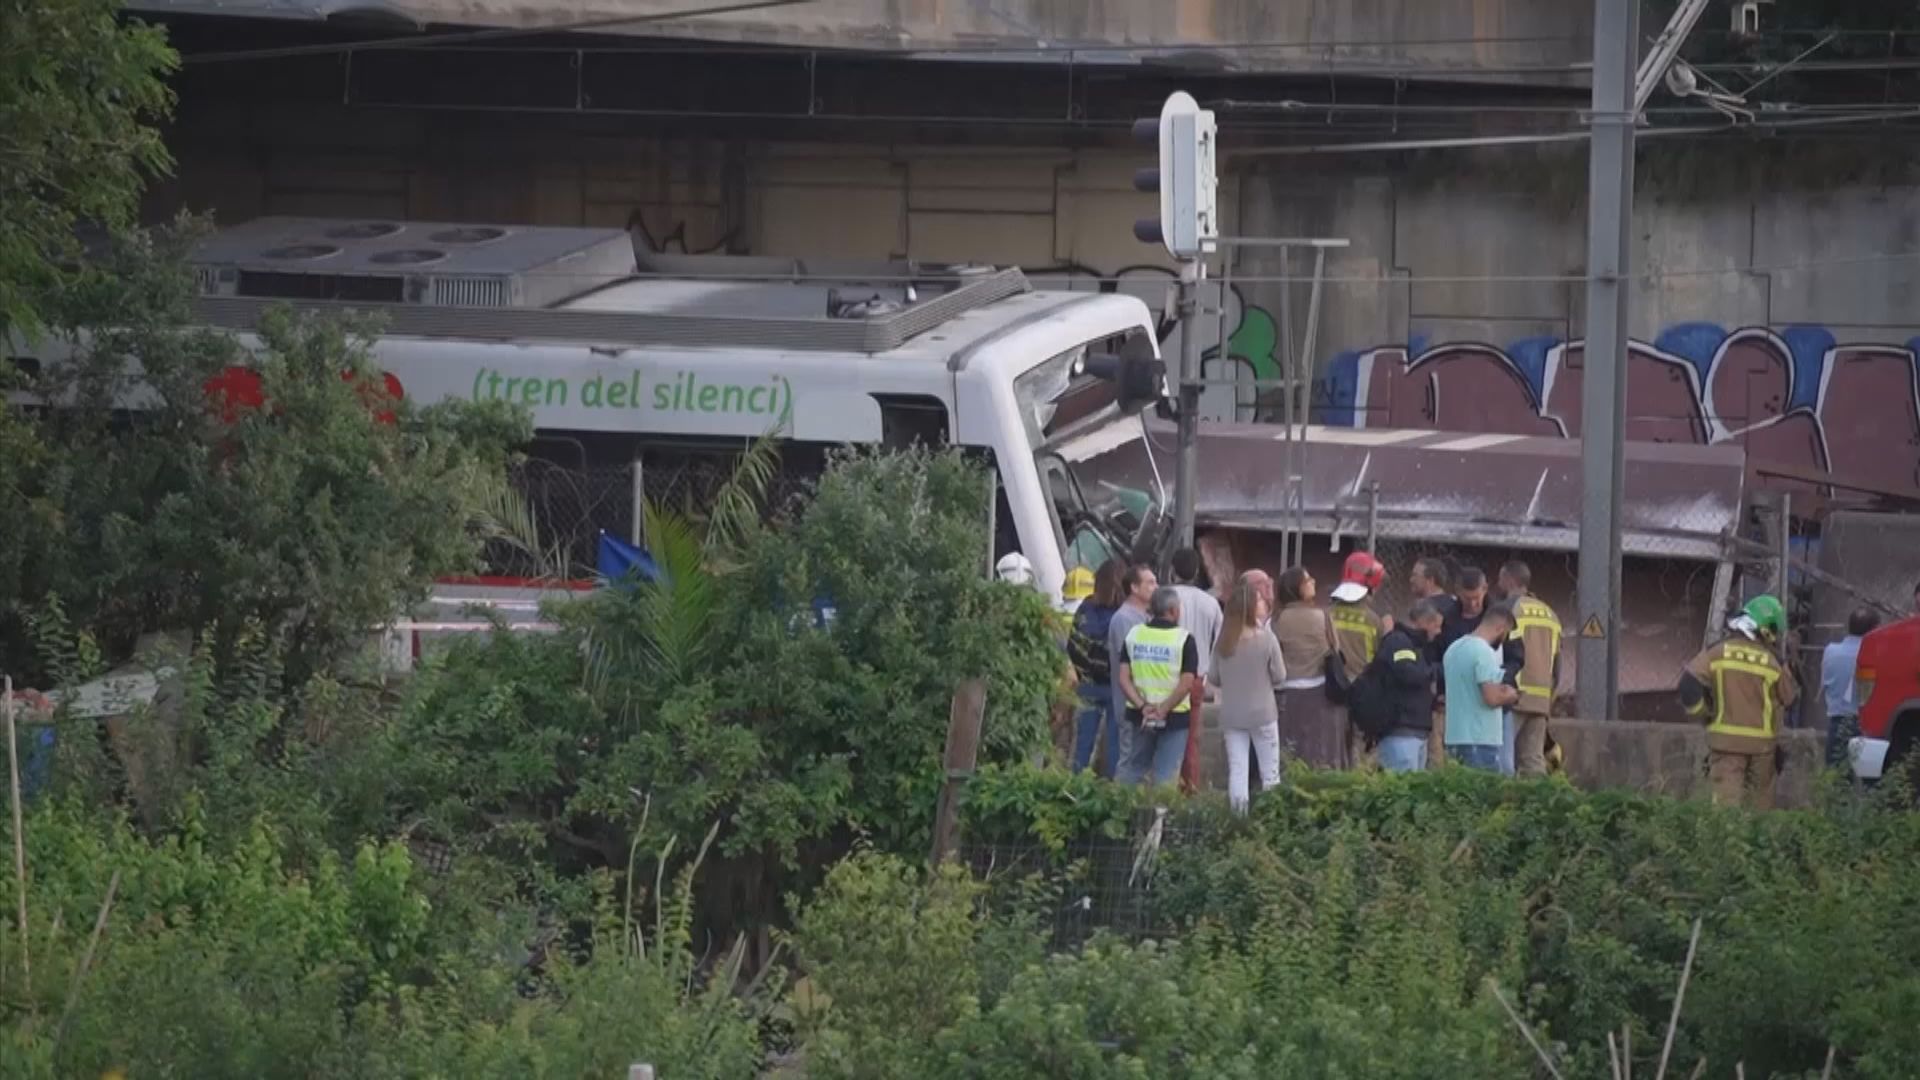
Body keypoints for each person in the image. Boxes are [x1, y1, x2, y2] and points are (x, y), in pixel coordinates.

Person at [1679, 595, 1800, 810]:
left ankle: (1725, 844)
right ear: (1766, 628)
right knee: (1759, 810)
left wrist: (1703, 714)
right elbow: (1790, 699)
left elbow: (1688, 684)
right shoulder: (1773, 662)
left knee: (1726, 811)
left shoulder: (1716, 653)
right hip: (1762, 748)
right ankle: (1757, 844)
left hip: (1725, 745)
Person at [1208, 578, 1287, 811]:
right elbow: (1280, 675)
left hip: (1233, 715)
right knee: (1270, 771)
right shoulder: (1266, 639)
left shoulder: (1223, 643)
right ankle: (1272, 818)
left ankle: (1238, 819)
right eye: (1260, 601)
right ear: (1251, 607)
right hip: (1263, 713)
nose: (1264, 604)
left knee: (1238, 770)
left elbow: (1213, 678)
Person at [1117, 586, 1199, 786]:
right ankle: (1158, 816)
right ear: (1173, 611)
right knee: (1166, 775)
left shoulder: (1134, 635)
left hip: (1140, 715)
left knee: (1133, 770)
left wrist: (1143, 706)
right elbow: (1187, 682)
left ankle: (1122, 813)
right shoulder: (1184, 640)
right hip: (1174, 716)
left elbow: (1123, 678)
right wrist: (1162, 709)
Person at [1272, 566, 1348, 768]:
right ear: (1297, 588)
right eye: (1308, 580)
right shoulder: (1321, 616)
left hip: (1288, 691)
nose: (1313, 581)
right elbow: (1335, 648)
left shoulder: (1277, 620)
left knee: (1292, 748)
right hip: (1320, 690)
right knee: (1320, 749)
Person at [1499, 560, 1563, 778]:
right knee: (1532, 760)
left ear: (1509, 579)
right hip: (1541, 700)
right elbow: (1557, 666)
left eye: (1500, 578)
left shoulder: (1508, 609)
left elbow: (1499, 651)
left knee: (1502, 759)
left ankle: (1503, 808)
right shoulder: (1551, 614)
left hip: (1512, 696)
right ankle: (1537, 807)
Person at [1169, 547, 1224, 792]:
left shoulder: (1164, 596)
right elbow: (1220, 642)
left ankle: (1162, 785)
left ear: (1172, 571)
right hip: (1197, 679)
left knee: (1162, 736)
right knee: (1191, 738)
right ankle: (1190, 787)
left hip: (1163, 675)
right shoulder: (1210, 603)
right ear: (1197, 572)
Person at [1369, 599, 1446, 772]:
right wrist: (1436, 670)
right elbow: (1408, 674)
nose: (1438, 631)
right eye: (1436, 625)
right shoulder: (1399, 641)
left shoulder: (1416, 646)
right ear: (1423, 622)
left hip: (1415, 731)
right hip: (1400, 731)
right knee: (1400, 789)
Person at [1443, 600, 1520, 771]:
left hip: (1454, 737)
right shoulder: (1484, 652)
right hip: (1480, 739)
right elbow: (1491, 698)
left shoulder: (1453, 648)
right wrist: (1511, 695)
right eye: (1506, 634)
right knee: (1483, 794)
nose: (1504, 639)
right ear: (1501, 628)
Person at [1066, 560, 1125, 775]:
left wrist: (1083, 672)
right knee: (1114, 743)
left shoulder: (1085, 608)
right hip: (1116, 686)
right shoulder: (1124, 614)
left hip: (1088, 684)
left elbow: (1073, 645)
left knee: (1083, 741)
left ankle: (1076, 782)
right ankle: (1111, 788)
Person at [1330, 551, 1388, 767]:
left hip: (1332, 690)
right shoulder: (1374, 620)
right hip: (1364, 692)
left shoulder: (1328, 613)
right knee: (1360, 755)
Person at [1106, 563, 1157, 776]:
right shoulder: (1124, 619)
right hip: (1131, 704)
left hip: (1146, 703)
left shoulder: (1146, 617)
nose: (1156, 587)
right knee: (1129, 760)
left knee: (1142, 761)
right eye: (1150, 583)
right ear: (1134, 588)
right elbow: (1133, 663)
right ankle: (1122, 802)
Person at [1410, 556, 1461, 765]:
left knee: (1433, 756)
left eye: (1415, 575)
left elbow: (1425, 654)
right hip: (1456, 694)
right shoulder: (1457, 606)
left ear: (1430, 580)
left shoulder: (1425, 609)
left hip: (1433, 696)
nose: (1410, 579)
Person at [1821, 607, 1879, 768]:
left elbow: (1825, 683)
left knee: (1836, 780)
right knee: (1870, 782)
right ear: (1874, 629)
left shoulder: (1830, 651)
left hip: (1837, 723)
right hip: (1867, 726)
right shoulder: (1876, 654)